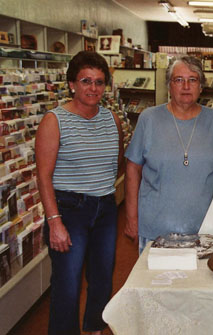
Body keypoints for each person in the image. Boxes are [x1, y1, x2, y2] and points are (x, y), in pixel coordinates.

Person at [35, 51, 123, 335]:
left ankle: (95, 328)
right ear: (72, 83)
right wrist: (54, 221)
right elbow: (44, 176)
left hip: (106, 207)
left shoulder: (113, 120)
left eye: (99, 82)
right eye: (86, 81)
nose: (93, 88)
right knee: (67, 283)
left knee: (102, 278)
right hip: (69, 209)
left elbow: (116, 162)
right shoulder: (54, 120)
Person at [125, 55, 213, 253]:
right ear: (169, 85)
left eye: (193, 80)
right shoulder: (148, 119)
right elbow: (132, 169)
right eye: (178, 80)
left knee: (200, 284)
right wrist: (131, 218)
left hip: (206, 231)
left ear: (201, 86)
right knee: (155, 283)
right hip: (155, 231)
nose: (186, 86)